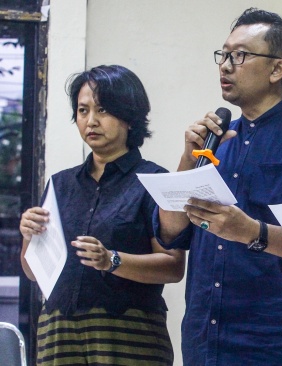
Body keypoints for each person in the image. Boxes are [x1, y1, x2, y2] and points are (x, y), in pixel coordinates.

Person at [155, 8, 282, 365]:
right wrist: (187, 158)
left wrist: (251, 231)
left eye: (240, 55)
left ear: (278, 69)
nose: (225, 65)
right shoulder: (218, 139)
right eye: (224, 54)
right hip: (208, 339)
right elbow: (171, 231)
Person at [19, 65, 185, 365]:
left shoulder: (154, 180)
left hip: (128, 332)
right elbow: (33, 271)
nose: (91, 121)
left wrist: (111, 260)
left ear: (129, 117)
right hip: (59, 328)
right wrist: (27, 236)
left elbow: (173, 267)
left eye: (103, 109)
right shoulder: (61, 183)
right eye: (82, 110)